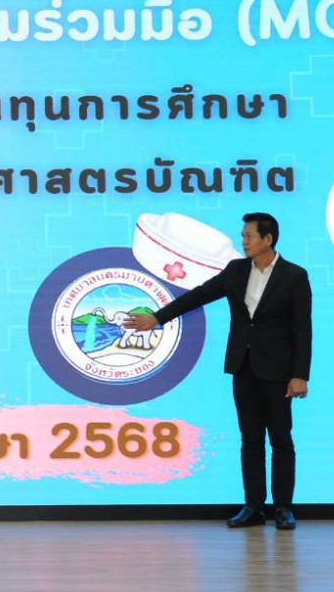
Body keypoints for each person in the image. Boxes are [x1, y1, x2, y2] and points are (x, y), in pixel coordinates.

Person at [122, 212, 311, 529]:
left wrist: (299, 374)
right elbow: (199, 295)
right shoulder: (236, 270)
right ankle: (253, 507)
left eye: (249, 236)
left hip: (278, 370)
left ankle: (282, 508)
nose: (243, 241)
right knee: (250, 439)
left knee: (280, 439)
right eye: (243, 235)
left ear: (268, 239)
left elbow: (303, 328)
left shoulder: (294, 275)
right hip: (243, 366)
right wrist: (157, 318)